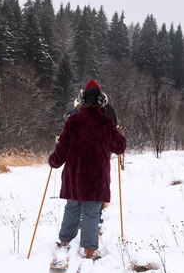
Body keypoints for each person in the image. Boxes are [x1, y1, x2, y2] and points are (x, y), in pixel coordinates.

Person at [49, 79, 127, 260]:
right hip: (96, 175)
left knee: (72, 206)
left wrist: (54, 161)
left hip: (75, 174)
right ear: (101, 100)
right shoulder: (106, 122)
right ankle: (89, 250)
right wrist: (118, 134)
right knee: (92, 210)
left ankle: (64, 241)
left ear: (82, 100)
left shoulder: (73, 121)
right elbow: (119, 147)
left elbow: (62, 147)